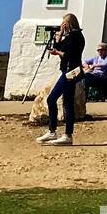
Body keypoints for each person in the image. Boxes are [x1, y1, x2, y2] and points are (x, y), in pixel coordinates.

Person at [36, 13, 85, 147]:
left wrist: (57, 52)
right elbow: (59, 47)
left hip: (71, 71)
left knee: (55, 99)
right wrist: (60, 35)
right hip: (68, 71)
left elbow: (68, 54)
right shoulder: (71, 36)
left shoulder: (75, 37)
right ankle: (59, 133)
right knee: (65, 102)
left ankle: (61, 133)